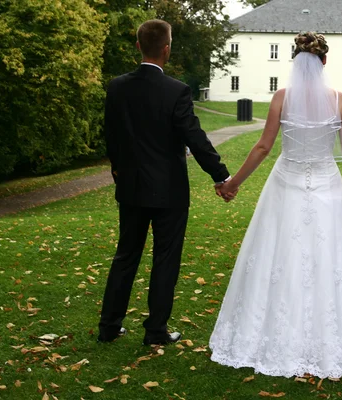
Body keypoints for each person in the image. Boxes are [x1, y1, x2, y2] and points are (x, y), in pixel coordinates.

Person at [209, 32, 342, 378]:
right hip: (327, 183)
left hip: (286, 183)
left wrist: (233, 183)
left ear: (295, 61)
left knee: (279, 254)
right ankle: (332, 337)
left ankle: (270, 334)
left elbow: (264, 147)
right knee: (330, 257)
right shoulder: (339, 99)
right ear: (324, 62)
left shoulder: (282, 98)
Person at [98, 19, 233, 346]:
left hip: (130, 188)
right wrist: (222, 176)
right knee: (165, 259)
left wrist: (118, 169)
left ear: (137, 46)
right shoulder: (176, 91)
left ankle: (109, 327)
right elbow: (195, 138)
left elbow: (111, 135)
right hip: (169, 192)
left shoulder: (117, 87)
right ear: (167, 49)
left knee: (126, 255)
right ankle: (156, 330)